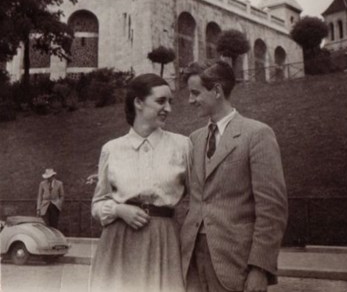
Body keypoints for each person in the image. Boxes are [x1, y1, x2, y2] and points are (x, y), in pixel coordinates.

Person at [180, 60, 288, 292]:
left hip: (235, 263)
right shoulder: (194, 139)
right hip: (191, 263)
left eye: (195, 93)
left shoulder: (257, 134)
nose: (190, 100)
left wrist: (260, 268)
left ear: (217, 90)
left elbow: (272, 209)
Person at [90, 73, 191, 292]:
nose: (168, 109)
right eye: (161, 101)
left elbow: (197, 199)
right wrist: (118, 209)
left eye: (170, 102)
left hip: (163, 242)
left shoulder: (182, 146)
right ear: (138, 102)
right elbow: (97, 204)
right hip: (118, 244)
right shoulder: (112, 149)